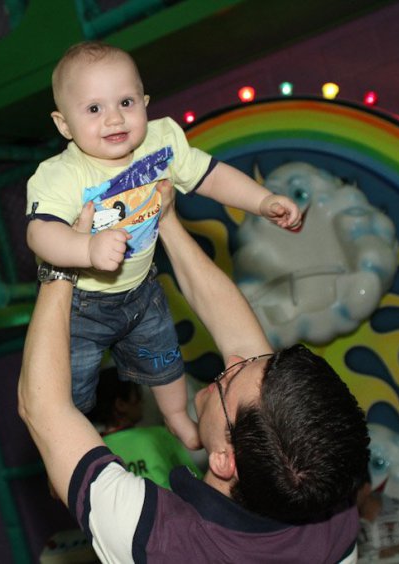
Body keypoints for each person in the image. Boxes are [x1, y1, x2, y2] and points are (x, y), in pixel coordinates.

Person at [18, 183, 369, 562]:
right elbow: (247, 356)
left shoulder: (158, 539)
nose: (232, 363)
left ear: (224, 459)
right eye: (248, 364)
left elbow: (44, 406)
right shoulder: (326, 501)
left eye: (228, 383)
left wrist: (60, 265)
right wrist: (166, 221)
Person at [25, 41, 302, 450]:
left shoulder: (161, 143)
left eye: (125, 101)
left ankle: (177, 419)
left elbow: (211, 175)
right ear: (64, 125)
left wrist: (261, 201)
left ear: (145, 101)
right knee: (70, 388)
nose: (114, 118)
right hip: (82, 306)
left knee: (165, 360)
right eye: (94, 109)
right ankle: (64, 453)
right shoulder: (62, 175)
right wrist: (85, 250)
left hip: (141, 291)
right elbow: (40, 233)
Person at [87, 365, 201, 490]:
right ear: (121, 404)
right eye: (138, 394)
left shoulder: (92, 449)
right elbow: (195, 481)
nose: (143, 401)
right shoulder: (158, 435)